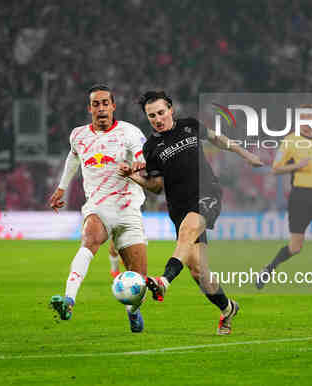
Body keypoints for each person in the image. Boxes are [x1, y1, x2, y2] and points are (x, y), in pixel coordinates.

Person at [119, 90, 263, 335]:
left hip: (207, 193)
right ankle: (228, 308)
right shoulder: (151, 147)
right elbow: (156, 187)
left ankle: (164, 281)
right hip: (179, 206)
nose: (157, 119)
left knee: (188, 230)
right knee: (200, 273)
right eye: (151, 115)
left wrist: (244, 153)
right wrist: (134, 177)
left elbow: (218, 139)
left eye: (161, 113)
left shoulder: (190, 126)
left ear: (171, 109)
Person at [48, 84, 149, 333]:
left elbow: (142, 156)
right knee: (89, 239)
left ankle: (132, 310)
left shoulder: (129, 132)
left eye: (105, 103)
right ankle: (69, 301)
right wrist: (62, 188)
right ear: (90, 108)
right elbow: (73, 157)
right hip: (98, 207)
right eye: (96, 104)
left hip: (128, 210)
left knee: (139, 281)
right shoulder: (78, 135)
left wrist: (137, 166)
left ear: (113, 106)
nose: (101, 108)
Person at [256, 104, 312, 299]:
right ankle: (268, 269)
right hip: (300, 197)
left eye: (310, 118)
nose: (306, 122)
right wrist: (297, 165)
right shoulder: (290, 140)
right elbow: (275, 168)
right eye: (303, 118)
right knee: (296, 247)